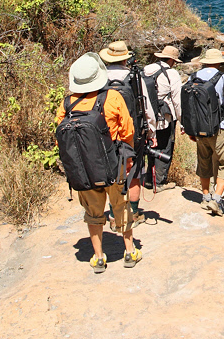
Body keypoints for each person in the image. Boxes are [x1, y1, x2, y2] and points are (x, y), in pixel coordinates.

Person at [55, 52, 142, 273]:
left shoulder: (67, 104)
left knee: (93, 213)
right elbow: (128, 131)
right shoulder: (112, 98)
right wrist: (128, 159)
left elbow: (61, 139)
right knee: (120, 206)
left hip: (84, 169)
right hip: (113, 164)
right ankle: (130, 251)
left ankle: (98, 257)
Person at [99, 40, 156, 228]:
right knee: (135, 172)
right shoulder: (134, 76)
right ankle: (134, 212)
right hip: (133, 133)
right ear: (125, 58)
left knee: (111, 174)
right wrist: (151, 131)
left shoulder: (100, 78)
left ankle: (114, 214)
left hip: (106, 134)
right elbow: (145, 105)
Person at [187, 48, 224, 216]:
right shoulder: (223, 77)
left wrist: (189, 128)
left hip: (198, 128)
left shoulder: (193, 77)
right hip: (219, 128)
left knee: (204, 161)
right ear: (219, 62)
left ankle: (205, 196)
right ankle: (217, 199)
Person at [144, 45, 182, 190]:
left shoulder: (147, 69)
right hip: (163, 116)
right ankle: (158, 182)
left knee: (150, 146)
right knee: (165, 147)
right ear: (172, 60)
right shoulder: (172, 74)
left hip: (146, 115)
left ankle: (148, 179)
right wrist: (182, 120)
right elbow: (177, 100)